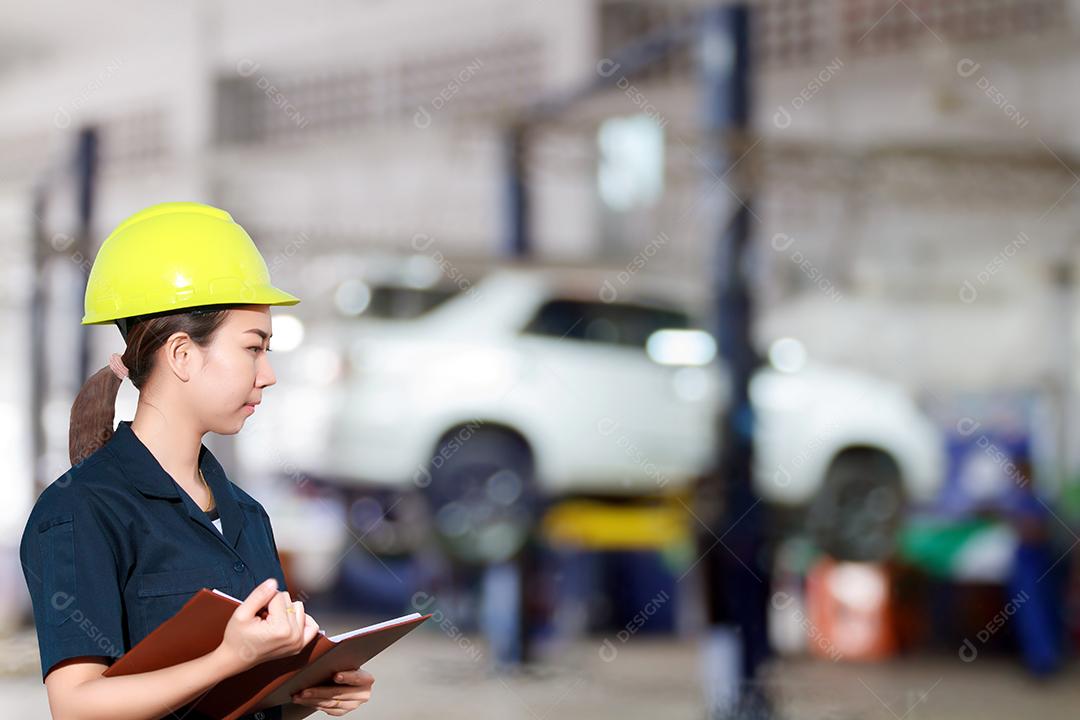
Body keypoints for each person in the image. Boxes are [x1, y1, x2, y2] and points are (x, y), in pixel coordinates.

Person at [19, 202, 375, 719]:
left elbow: (243, 700)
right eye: (254, 348)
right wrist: (228, 658)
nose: (268, 373)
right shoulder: (81, 511)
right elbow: (77, 708)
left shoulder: (247, 516)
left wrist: (309, 688)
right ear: (183, 354)